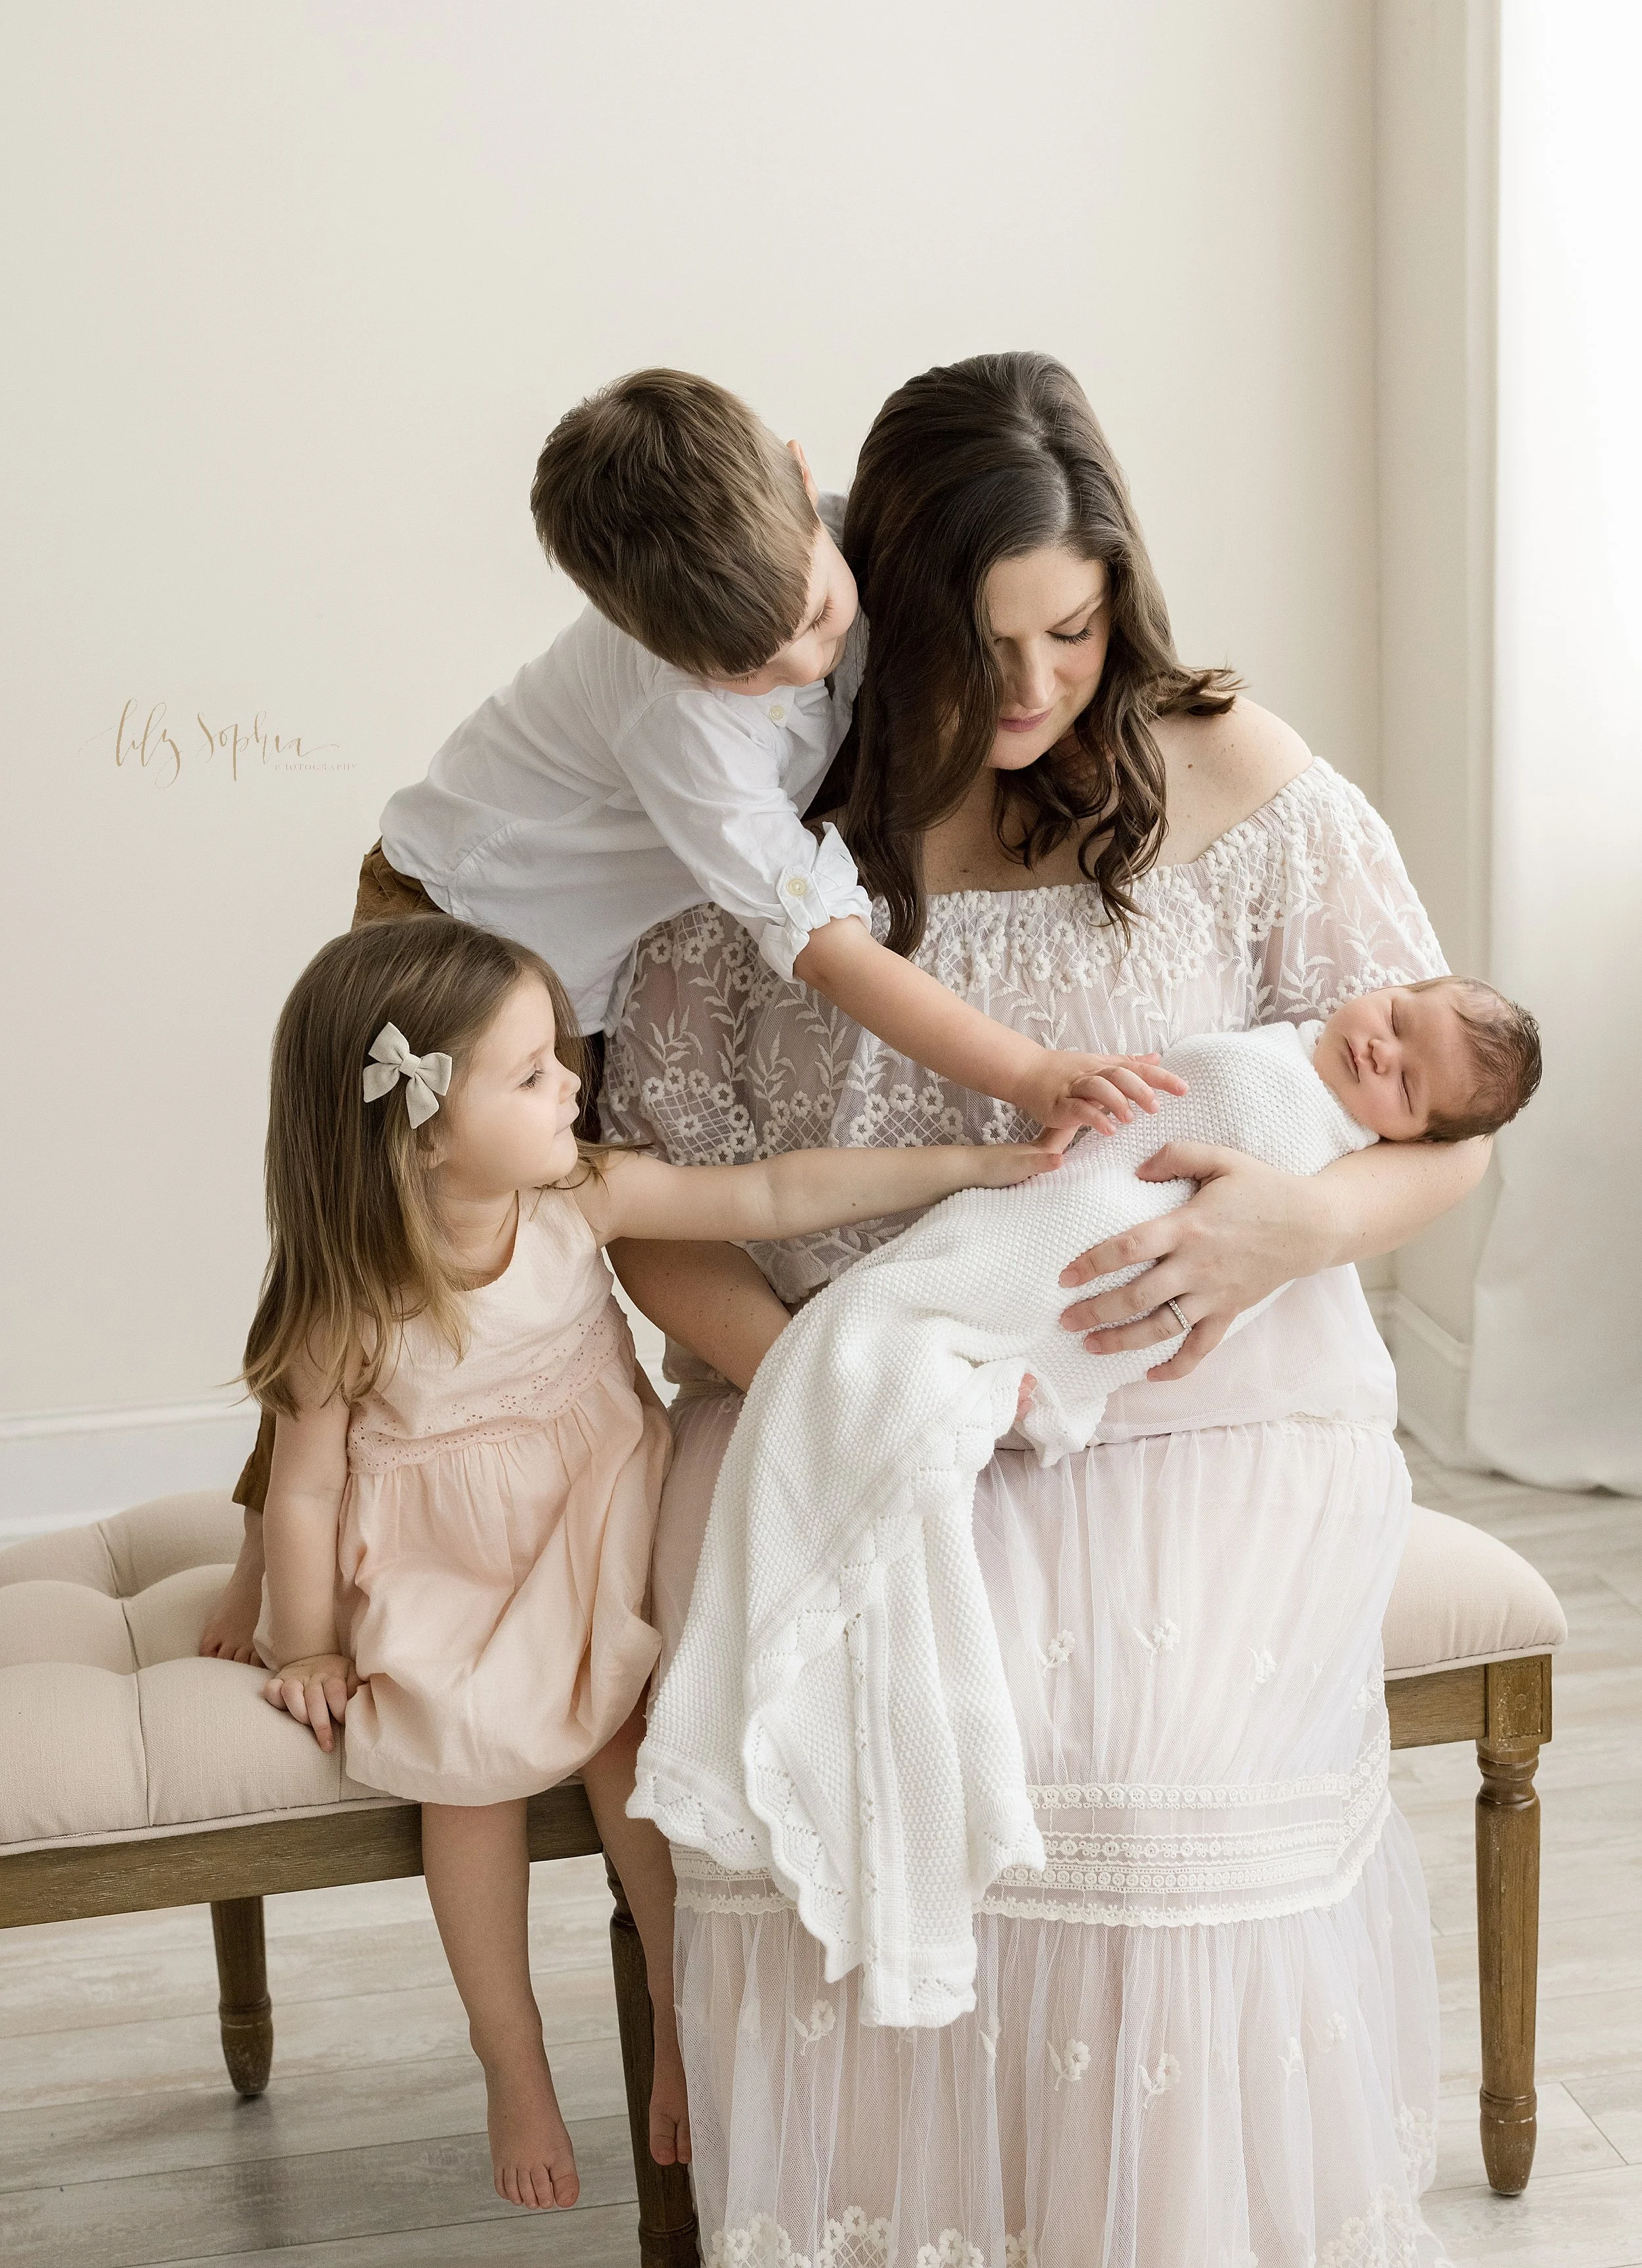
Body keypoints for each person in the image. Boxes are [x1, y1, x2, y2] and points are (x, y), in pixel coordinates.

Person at [602, 351, 1492, 2267]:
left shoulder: (1232, 765)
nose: (1026, 692)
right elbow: (651, 1219)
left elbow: (1449, 1129)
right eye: (977, 646)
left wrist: (1290, 1233)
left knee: (1138, 1767)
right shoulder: (756, 835)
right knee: (852, 1766)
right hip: (837, 1396)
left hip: (1201, 1385)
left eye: (1068, 634)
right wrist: (852, 1384)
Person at [199, 367, 1184, 1661]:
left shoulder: (837, 542)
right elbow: (825, 952)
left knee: (598, 1219)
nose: (806, 660)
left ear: (796, 474)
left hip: (581, 968)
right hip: (445, 934)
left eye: (817, 615)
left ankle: (741, 1450)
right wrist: (1032, 1066)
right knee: (370, 1261)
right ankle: (262, 1560)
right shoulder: (681, 722)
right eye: (752, 664)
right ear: (644, 633)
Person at [245, 910, 1073, 2216]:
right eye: (533, 1073)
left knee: (640, 1734)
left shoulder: (580, 1193)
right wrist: (302, 1638)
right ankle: (507, 2052)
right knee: (466, 1773)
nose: (575, 1082)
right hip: (449, 1566)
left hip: (596, 1507)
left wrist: (966, 1163)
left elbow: (772, 1192)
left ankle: (686, 2022)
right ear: (426, 1125)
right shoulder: (346, 1297)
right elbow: (298, 1490)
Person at [634, 978, 1542, 2037]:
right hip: (978, 1244)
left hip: (1170, 1381)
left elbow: (1367, 1165)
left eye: (1408, 1078)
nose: (1378, 1050)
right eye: (1395, 1018)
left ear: (1415, 1127)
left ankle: (1102, 2013)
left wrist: (1303, 1221)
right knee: (882, 1341)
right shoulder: (1291, 1043)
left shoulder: (1320, 1124)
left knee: (1146, 1746)